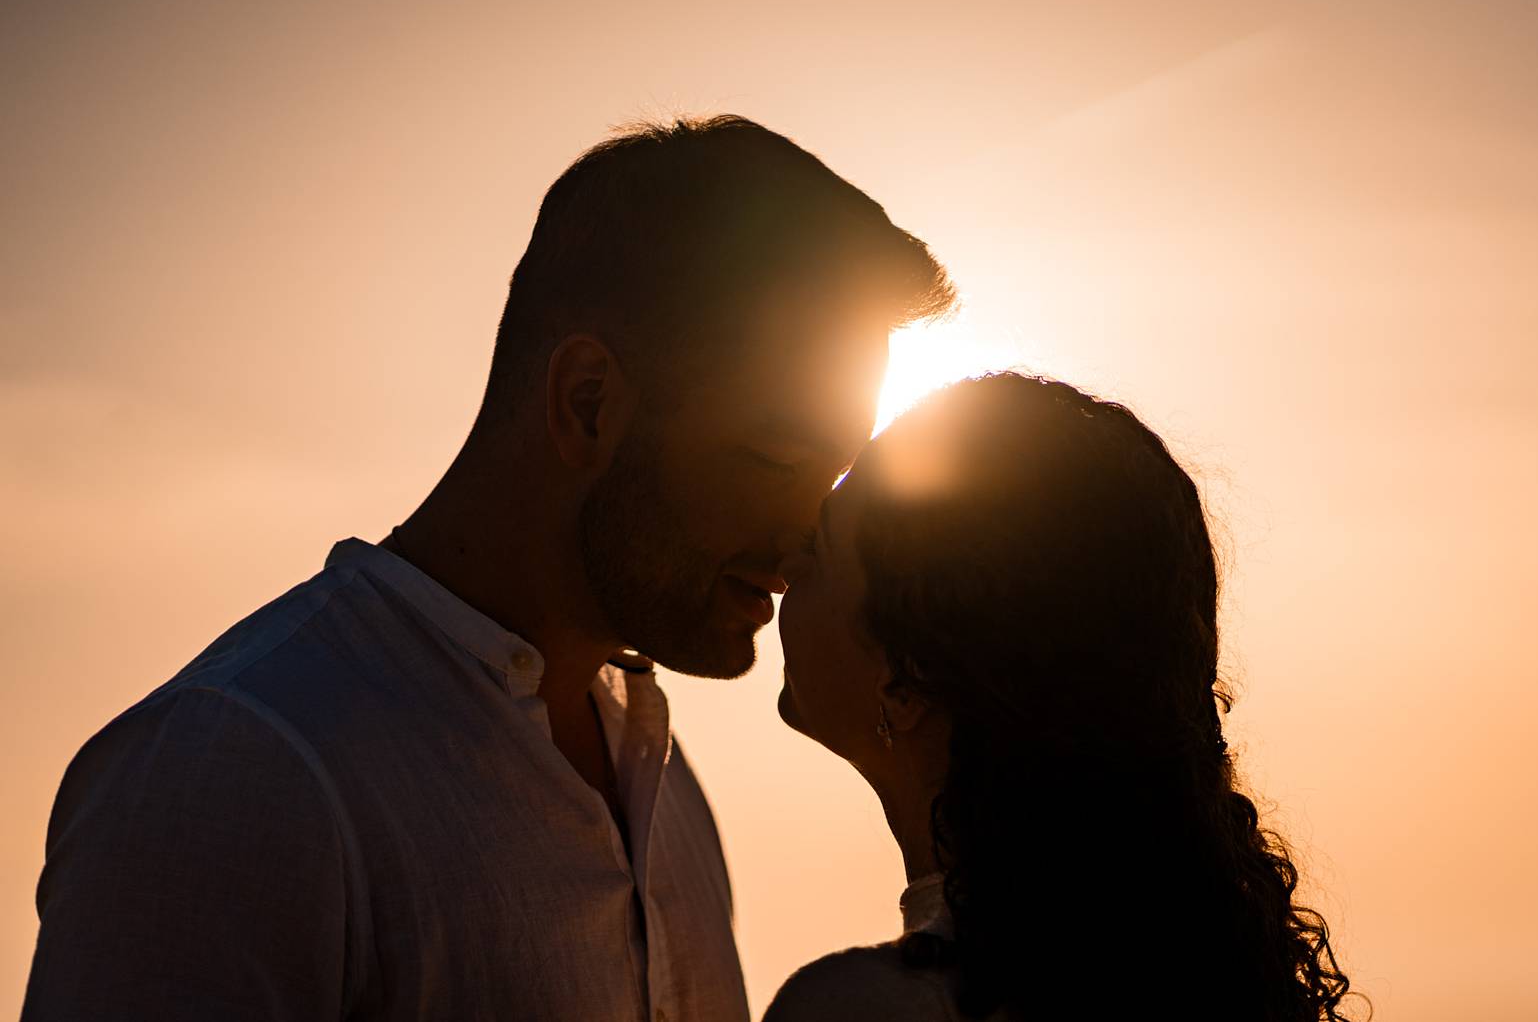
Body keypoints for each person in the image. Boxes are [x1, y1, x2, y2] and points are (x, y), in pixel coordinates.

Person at [23, 115, 955, 1022]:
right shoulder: (238, 771)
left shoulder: (661, 783)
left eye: (831, 476)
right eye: (777, 459)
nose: (805, 537)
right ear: (587, 403)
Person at [766, 373, 1357, 1021]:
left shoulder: (866, 1009)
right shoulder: (1190, 985)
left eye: (817, 551)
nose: (784, 570)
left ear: (907, 680)